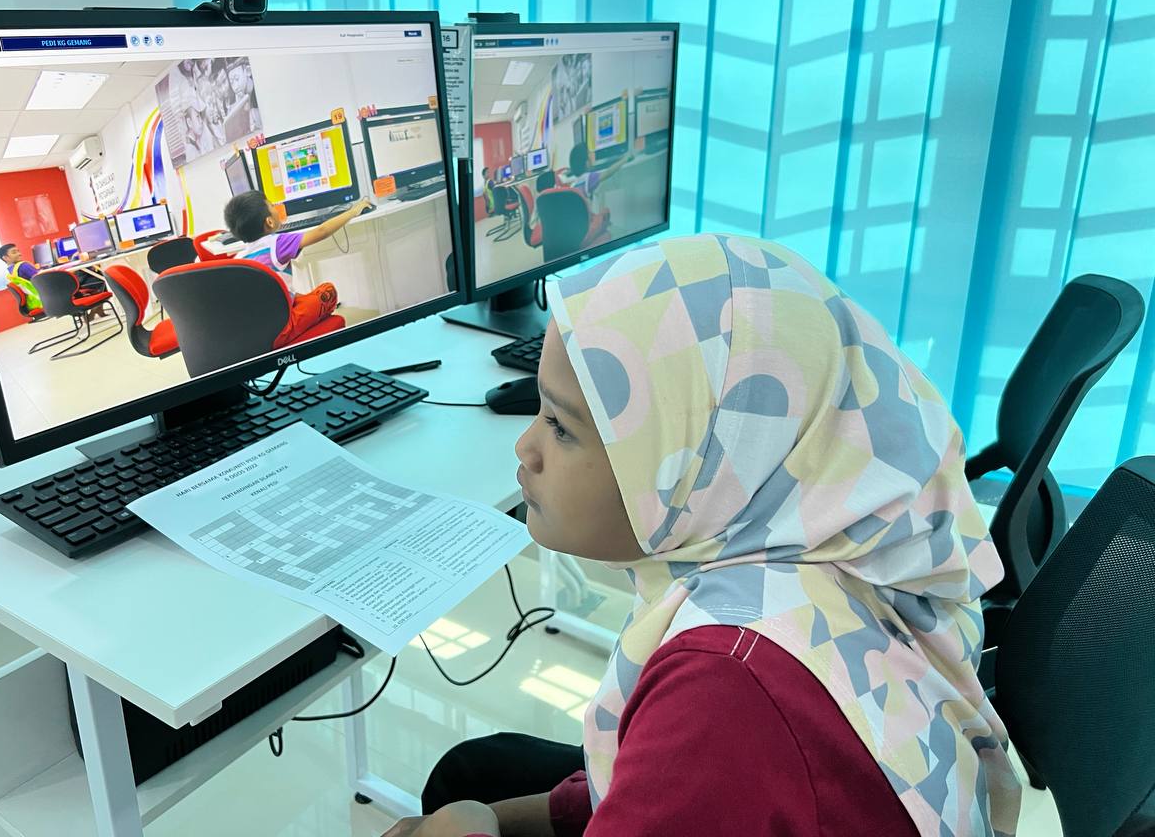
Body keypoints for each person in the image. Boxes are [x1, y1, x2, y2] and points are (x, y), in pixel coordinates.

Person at [385, 234, 1022, 837]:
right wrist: (500, 815)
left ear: (699, 464)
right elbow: (668, 792)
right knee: (472, 775)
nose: (525, 447)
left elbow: (704, 761)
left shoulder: (726, 686)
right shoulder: (835, 548)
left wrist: (467, 829)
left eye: (560, 426)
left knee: (461, 789)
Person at [222, 189, 370, 345]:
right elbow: (322, 231)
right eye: (272, 206)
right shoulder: (277, 243)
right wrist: (353, 211)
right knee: (327, 291)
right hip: (281, 329)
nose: (276, 208)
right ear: (269, 222)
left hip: (255, 331)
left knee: (297, 295)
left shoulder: (239, 259)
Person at [565, 142, 631, 203]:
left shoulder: (575, 184)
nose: (592, 154)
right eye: (589, 153)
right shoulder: (589, 178)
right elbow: (608, 172)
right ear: (586, 162)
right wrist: (625, 159)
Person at [0, 242, 44, 311]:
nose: (19, 254)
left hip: (34, 302)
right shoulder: (23, 265)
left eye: (18, 251)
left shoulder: (11, 272)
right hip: (43, 300)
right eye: (14, 252)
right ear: (5, 258)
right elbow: (42, 279)